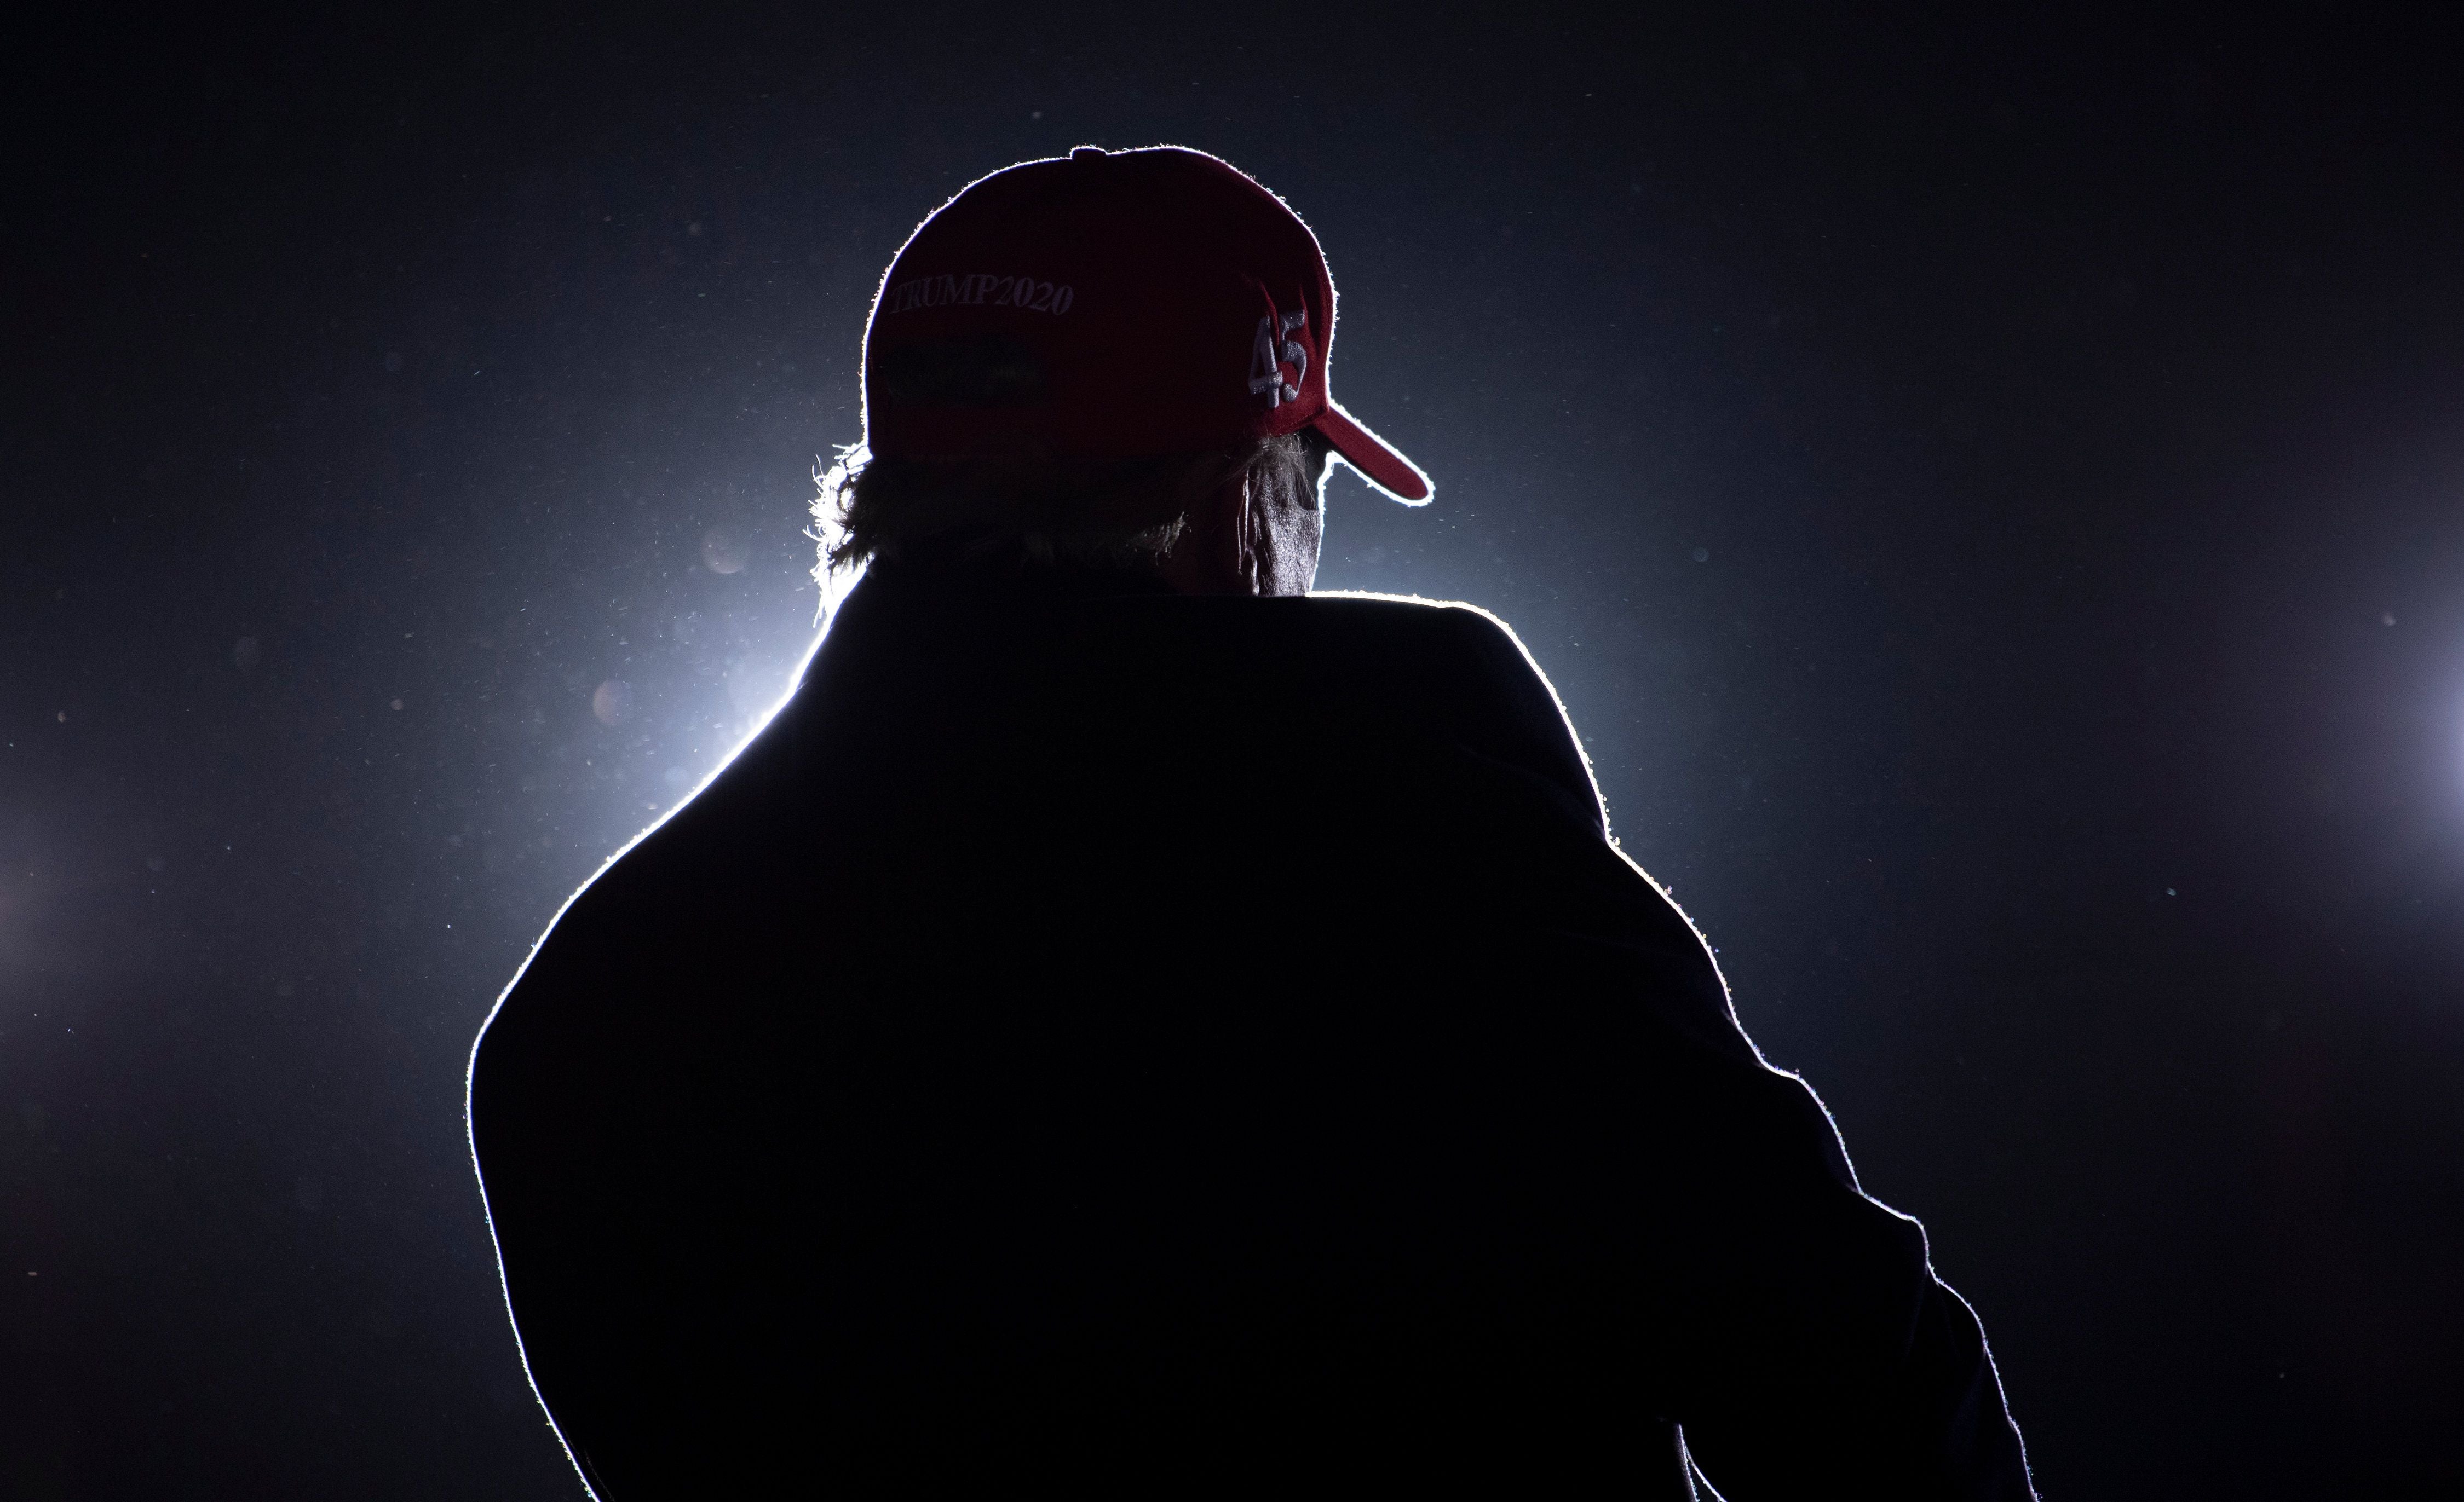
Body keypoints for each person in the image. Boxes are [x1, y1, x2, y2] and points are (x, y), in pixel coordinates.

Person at [467, 145, 2035, 1498]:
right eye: (1309, 487)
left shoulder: (584, 1014)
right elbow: (1819, 1342)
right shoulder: (1396, 770)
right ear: (1236, 492)